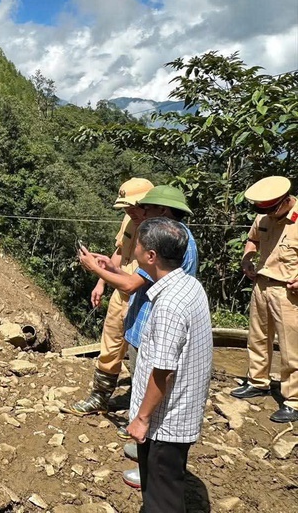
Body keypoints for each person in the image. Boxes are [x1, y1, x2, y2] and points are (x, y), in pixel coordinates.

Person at [78, 185, 198, 490]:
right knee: (143, 379)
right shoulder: (165, 236)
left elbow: (134, 283)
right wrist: (110, 267)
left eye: (148, 208)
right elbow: (132, 272)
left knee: (154, 391)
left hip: (154, 321)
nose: (141, 212)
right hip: (142, 315)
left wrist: (96, 271)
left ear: (163, 211)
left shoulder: (169, 243)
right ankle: (145, 454)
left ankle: (152, 467)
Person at [126, 217, 213, 513]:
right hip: (181, 412)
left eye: (138, 244)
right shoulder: (190, 285)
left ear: (151, 256)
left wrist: (142, 418)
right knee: (166, 487)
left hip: (165, 422)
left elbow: (163, 371)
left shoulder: (169, 305)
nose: (134, 248)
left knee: (161, 499)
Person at [62, 177, 153, 416]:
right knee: (110, 347)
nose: (130, 212)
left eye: (135, 207)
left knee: (141, 356)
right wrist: (101, 282)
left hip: (143, 299)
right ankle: (99, 397)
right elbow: (120, 252)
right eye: (126, 207)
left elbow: (137, 282)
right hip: (120, 293)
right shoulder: (129, 220)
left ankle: (141, 411)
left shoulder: (159, 230)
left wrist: (96, 269)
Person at [230, 176, 298, 423]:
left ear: (285, 201)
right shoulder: (263, 218)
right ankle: (258, 382)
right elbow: (253, 240)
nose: (267, 214)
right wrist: (247, 258)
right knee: (258, 337)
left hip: (289, 292)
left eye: (271, 209)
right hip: (261, 284)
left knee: (291, 347)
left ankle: (294, 400)